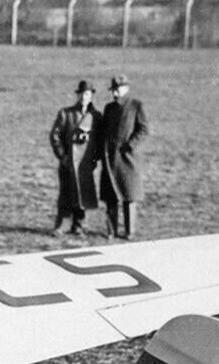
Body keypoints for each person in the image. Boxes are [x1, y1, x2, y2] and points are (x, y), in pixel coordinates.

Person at [48, 80, 102, 237]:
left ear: (91, 96)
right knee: (65, 193)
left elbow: (100, 140)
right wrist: (63, 157)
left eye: (87, 94)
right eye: (82, 94)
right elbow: (55, 136)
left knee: (82, 193)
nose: (84, 97)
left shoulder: (96, 117)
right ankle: (61, 225)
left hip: (85, 164)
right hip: (68, 163)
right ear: (77, 95)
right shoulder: (66, 113)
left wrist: (94, 160)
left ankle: (79, 225)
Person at [99, 73, 149, 240]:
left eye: (118, 89)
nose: (115, 93)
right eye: (113, 89)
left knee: (129, 195)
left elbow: (143, 129)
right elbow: (103, 131)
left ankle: (129, 231)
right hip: (110, 157)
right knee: (110, 196)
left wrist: (130, 145)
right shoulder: (109, 108)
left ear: (126, 88)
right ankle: (111, 231)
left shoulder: (136, 106)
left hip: (128, 159)